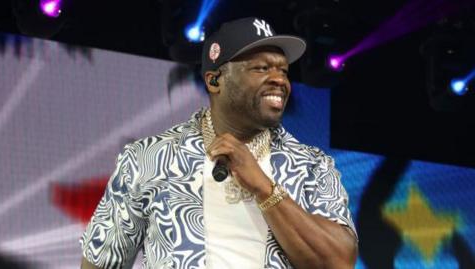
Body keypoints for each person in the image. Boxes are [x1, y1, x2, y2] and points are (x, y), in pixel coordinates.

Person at [80, 17, 358, 269]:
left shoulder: (313, 166)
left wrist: (263, 186)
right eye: (261, 68)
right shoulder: (148, 157)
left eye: (283, 71)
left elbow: (338, 262)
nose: (279, 80)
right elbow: (101, 261)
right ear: (215, 81)